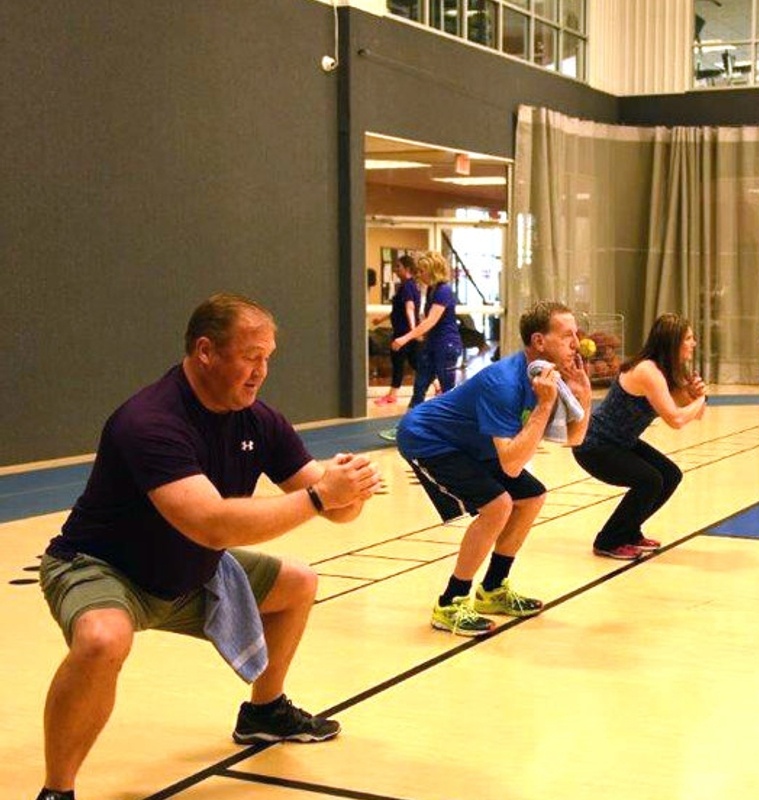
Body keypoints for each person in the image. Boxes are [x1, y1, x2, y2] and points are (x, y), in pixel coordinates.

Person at [34, 294, 381, 800]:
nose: (261, 371)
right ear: (205, 351)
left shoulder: (259, 420)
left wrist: (350, 490)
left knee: (298, 584)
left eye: (268, 358)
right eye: (250, 356)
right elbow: (212, 524)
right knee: (103, 639)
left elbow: (335, 508)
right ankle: (57, 791)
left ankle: (264, 712)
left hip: (188, 573)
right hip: (104, 568)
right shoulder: (150, 420)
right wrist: (319, 496)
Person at [396, 300, 592, 636]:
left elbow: (574, 440)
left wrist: (584, 395)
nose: (577, 343)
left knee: (531, 497)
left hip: (476, 444)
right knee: (497, 505)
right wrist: (545, 406)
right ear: (539, 341)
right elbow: (512, 465)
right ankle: (450, 603)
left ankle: (493, 589)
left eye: (576, 334)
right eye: (566, 335)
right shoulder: (504, 382)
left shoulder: (549, 378)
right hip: (430, 439)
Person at [572, 314, 707, 559]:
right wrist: (698, 399)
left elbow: (697, 414)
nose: (693, 343)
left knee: (670, 475)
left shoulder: (668, 371)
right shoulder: (648, 371)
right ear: (673, 342)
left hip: (620, 442)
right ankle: (608, 540)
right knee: (650, 480)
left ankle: (629, 532)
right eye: (688, 338)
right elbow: (676, 419)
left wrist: (696, 396)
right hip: (594, 445)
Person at [389, 251, 463, 408]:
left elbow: (431, 321)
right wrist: (421, 334)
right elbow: (428, 321)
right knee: (420, 385)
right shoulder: (431, 290)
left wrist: (405, 338)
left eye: (423, 271)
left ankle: (449, 428)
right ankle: (409, 426)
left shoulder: (444, 291)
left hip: (446, 345)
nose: (419, 274)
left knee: (447, 390)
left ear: (433, 271)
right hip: (433, 344)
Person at [375, 253, 423, 405]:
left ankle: (392, 395)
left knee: (398, 362)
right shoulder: (407, 286)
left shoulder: (408, 286)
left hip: (404, 333)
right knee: (415, 362)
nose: (395, 270)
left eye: (398, 267)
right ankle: (437, 385)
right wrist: (381, 319)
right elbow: (398, 310)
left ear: (407, 268)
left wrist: (412, 331)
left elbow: (410, 308)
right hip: (406, 332)